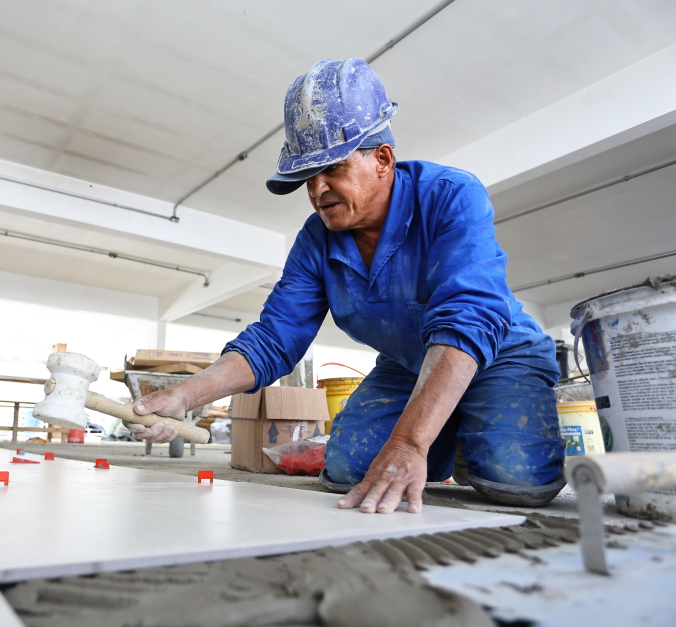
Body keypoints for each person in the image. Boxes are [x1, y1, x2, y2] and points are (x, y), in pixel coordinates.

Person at [128, 58, 566, 511]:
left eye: (332, 169)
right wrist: (184, 395)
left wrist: (410, 444)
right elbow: (275, 338)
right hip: (407, 364)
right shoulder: (316, 240)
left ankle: (464, 437)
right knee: (348, 470)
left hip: (497, 353)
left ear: (382, 158)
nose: (318, 189)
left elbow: (468, 316)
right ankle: (449, 424)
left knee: (516, 481)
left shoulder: (450, 195)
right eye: (306, 177)